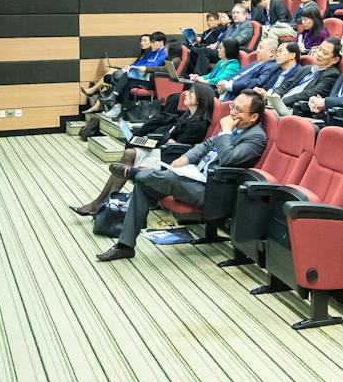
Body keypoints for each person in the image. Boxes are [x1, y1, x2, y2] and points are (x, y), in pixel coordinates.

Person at [97, 89, 268, 261]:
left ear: (253, 117)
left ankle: (135, 173)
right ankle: (125, 246)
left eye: (238, 110)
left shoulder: (255, 138)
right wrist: (185, 158)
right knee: (143, 186)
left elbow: (227, 159)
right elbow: (205, 145)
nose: (232, 113)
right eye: (232, 106)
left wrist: (225, 132)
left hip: (211, 191)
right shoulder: (234, 128)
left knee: (167, 178)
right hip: (194, 176)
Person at [72, 80, 215, 215]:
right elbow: (169, 136)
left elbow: (178, 145)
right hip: (165, 149)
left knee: (129, 154)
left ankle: (101, 204)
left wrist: (165, 139)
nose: (186, 94)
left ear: (199, 99)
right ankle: (101, 203)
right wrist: (161, 139)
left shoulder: (198, 123)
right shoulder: (188, 115)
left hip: (171, 159)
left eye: (191, 92)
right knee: (129, 152)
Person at [263, 36, 341, 115]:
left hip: (295, 109)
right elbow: (287, 83)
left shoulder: (332, 74)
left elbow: (309, 94)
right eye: (319, 49)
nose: (319, 54)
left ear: (335, 59)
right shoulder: (307, 68)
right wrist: (276, 94)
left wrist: (282, 101)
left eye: (325, 53)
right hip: (280, 105)